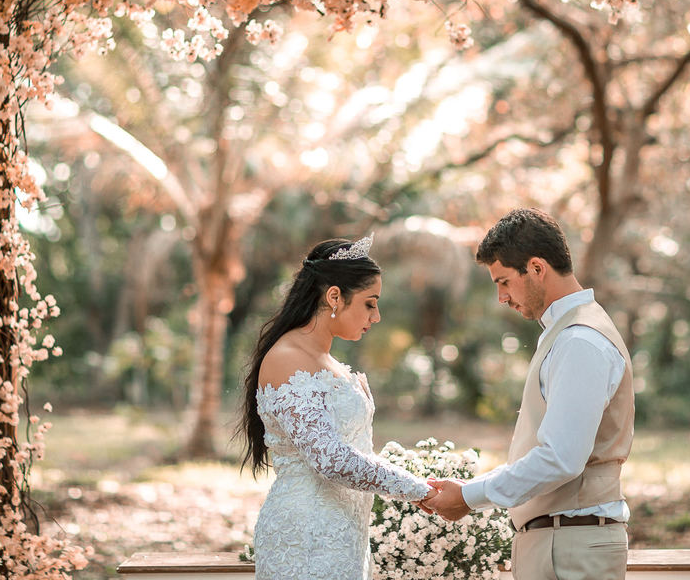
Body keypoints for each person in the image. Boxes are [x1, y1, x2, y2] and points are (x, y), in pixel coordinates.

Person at [422, 208, 634, 580]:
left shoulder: (579, 340)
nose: (502, 297)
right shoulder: (567, 333)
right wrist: (469, 490)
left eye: (503, 281)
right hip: (559, 541)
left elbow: (561, 458)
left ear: (536, 268)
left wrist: (470, 497)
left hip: (571, 547)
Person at [238, 234, 435, 580]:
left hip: (344, 535)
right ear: (334, 296)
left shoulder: (327, 361)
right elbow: (330, 459)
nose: (376, 317)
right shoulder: (287, 359)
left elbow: (354, 448)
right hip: (305, 539)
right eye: (370, 303)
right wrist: (418, 489)